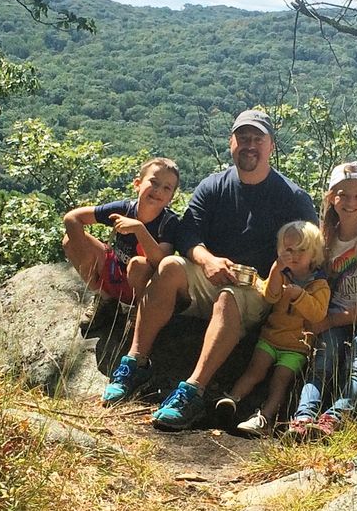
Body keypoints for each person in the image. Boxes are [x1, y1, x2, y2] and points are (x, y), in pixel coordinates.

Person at [100, 109, 318, 429]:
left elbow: (308, 251)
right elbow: (188, 232)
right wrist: (206, 259)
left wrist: (276, 278)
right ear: (231, 142)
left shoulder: (293, 198)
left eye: (258, 139)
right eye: (243, 138)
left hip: (255, 287)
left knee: (229, 297)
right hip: (208, 273)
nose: (250, 145)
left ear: (272, 145)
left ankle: (193, 391)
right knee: (171, 265)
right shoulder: (214, 186)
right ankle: (135, 363)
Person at [286, 161, 357, 439]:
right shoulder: (322, 239)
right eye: (343, 195)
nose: (350, 202)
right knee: (324, 361)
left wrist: (329, 321)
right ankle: (303, 417)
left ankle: (335, 415)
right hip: (333, 309)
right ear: (331, 198)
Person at [214, 220, 330, 437]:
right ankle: (231, 400)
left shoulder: (319, 284)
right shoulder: (283, 273)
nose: (293, 255)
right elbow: (270, 295)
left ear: (314, 254)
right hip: (270, 338)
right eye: (287, 250)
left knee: (280, 381)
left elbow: (318, 313)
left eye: (301, 250)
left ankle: (264, 419)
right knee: (254, 371)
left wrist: (300, 296)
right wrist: (277, 267)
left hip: (296, 347)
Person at [62, 157, 180, 306]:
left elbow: (161, 262)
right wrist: (85, 258)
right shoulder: (125, 209)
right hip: (114, 272)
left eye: (167, 188)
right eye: (154, 182)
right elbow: (72, 218)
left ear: (171, 198)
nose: (158, 190)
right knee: (69, 240)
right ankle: (104, 300)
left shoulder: (169, 223)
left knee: (138, 264)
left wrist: (139, 229)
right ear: (137, 184)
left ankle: (139, 311)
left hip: (144, 283)